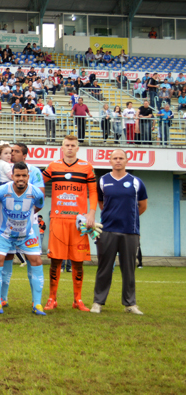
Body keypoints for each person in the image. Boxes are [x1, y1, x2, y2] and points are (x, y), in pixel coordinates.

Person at [42, 135, 97, 312]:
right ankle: (52, 299)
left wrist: (91, 213)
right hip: (58, 219)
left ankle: (77, 299)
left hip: (78, 222)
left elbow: (93, 192)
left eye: (73, 145)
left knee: (78, 261)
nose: (70, 148)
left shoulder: (87, 167)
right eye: (67, 145)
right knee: (55, 260)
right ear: (62, 147)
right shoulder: (53, 166)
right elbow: (37, 183)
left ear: (77, 148)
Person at [92, 150, 148, 315]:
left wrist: (128, 218)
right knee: (104, 268)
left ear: (126, 161)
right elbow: (102, 204)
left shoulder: (136, 182)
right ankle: (98, 303)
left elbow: (142, 206)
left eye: (121, 158)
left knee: (129, 269)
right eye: (115, 158)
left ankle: (130, 304)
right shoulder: (103, 181)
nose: (118, 161)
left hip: (130, 232)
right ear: (110, 161)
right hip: (107, 230)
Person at [0, 162, 46, 316]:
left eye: (24, 175)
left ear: (28, 176)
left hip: (26, 234)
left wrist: (28, 215)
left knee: (37, 261)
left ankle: (38, 303)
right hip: (4, 234)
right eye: (18, 175)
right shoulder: (1, 191)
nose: (21, 178)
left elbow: (39, 206)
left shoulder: (36, 193)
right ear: (12, 176)